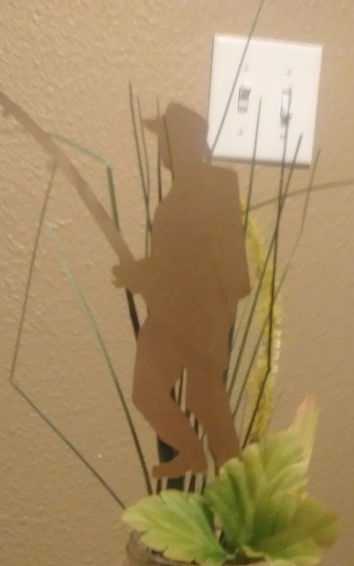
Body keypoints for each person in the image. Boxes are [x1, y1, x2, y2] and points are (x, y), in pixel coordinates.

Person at [112, 103, 250, 479]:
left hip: (196, 323)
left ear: (184, 142)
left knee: (205, 403)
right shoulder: (184, 194)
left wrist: (144, 275)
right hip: (176, 317)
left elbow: (205, 266)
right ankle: (193, 453)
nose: (161, 150)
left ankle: (235, 491)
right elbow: (180, 260)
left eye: (165, 139)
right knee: (153, 391)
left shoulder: (214, 187)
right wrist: (143, 274)